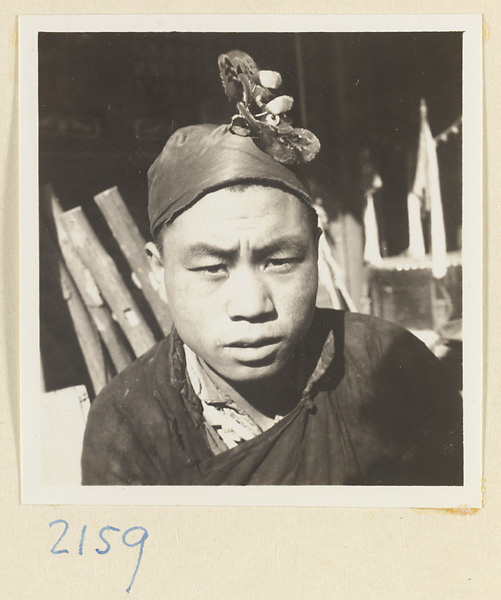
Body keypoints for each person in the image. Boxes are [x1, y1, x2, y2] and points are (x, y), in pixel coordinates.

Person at [81, 53, 463, 486]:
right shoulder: (127, 426)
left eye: (279, 261)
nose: (251, 306)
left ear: (316, 253)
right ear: (157, 271)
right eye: (211, 267)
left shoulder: (389, 365)